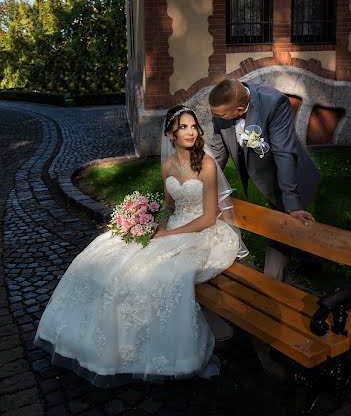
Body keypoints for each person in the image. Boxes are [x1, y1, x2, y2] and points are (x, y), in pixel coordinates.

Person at [34, 105, 242, 386]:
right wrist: (147, 221)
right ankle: (83, 341)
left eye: (194, 126)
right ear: (170, 133)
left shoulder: (204, 164)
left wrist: (170, 234)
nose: (191, 132)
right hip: (174, 228)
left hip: (203, 233)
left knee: (154, 274)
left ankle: (156, 350)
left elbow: (207, 218)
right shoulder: (167, 164)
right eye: (183, 127)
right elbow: (170, 205)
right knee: (107, 257)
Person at [209, 78, 320, 282]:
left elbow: (284, 153)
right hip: (264, 175)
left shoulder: (274, 103)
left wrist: (292, 204)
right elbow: (218, 150)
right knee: (294, 225)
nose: (217, 118)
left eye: (221, 115)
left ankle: (271, 286)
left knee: (286, 219)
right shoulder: (222, 106)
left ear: (241, 109)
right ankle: (311, 259)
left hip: (289, 172)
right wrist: (201, 182)